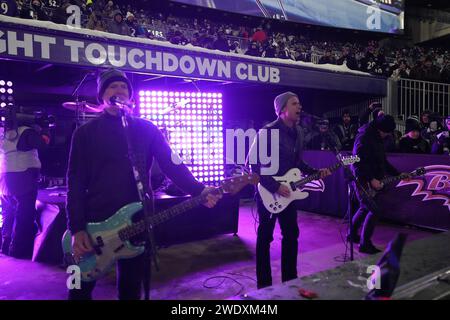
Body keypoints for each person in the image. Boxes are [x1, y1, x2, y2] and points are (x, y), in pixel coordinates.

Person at [66, 68, 221, 300]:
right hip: (92, 222)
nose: (118, 90)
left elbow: (172, 165)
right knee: (77, 288)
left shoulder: (146, 129)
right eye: (112, 87)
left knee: (131, 289)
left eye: (123, 87)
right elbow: (75, 181)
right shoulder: (85, 133)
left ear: (130, 97)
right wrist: (76, 227)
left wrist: (199, 190)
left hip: (137, 221)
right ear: (101, 96)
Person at [247, 92, 331, 289]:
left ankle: (290, 281)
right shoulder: (267, 132)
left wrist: (315, 172)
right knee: (265, 237)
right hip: (269, 192)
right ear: (283, 109)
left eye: (300, 103)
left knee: (291, 234)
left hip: (289, 193)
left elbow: (298, 163)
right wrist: (276, 186)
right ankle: (264, 286)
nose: (299, 107)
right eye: (295, 103)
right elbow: (254, 165)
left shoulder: (299, 132)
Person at [349, 114, 408, 254]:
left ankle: (351, 235)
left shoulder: (378, 138)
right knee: (374, 210)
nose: (387, 135)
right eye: (386, 132)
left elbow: (383, 162)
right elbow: (357, 161)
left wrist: (398, 174)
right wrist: (370, 179)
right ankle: (365, 244)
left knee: (364, 208)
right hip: (362, 179)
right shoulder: (364, 138)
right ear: (380, 129)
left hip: (370, 178)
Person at [0, 117, 50, 258]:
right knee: (24, 216)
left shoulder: (4, 132)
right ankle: (18, 252)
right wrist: (45, 129)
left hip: (4, 179)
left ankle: (5, 247)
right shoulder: (26, 132)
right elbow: (42, 143)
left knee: (8, 214)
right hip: (23, 178)